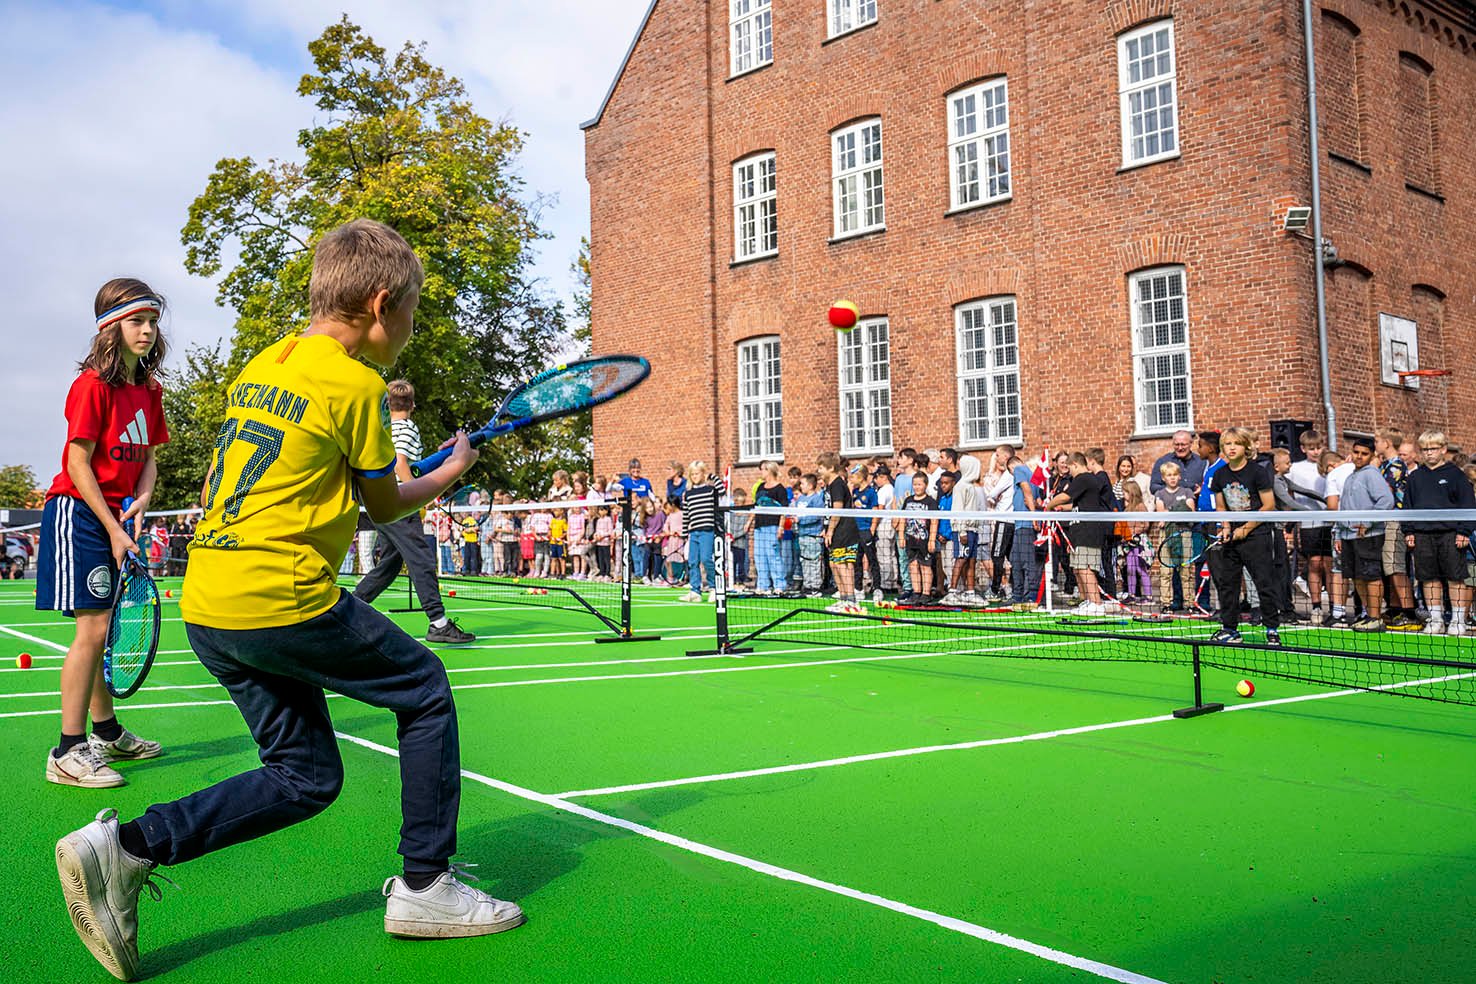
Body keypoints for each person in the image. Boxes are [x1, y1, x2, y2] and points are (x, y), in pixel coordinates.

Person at [55, 221, 524, 984]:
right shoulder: (357, 384)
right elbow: (386, 502)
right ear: (380, 304)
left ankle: (127, 846)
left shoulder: (264, 363)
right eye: (410, 312)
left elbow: (293, 475)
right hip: (283, 597)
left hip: (211, 601)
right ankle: (427, 886)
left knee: (304, 775)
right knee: (426, 692)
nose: (409, 329)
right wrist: (455, 467)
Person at [36, 278, 170, 790]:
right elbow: (77, 462)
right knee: (92, 630)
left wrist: (143, 498)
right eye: (138, 320)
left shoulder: (150, 390)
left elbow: (150, 460)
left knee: (103, 627)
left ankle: (107, 733)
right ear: (110, 328)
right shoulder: (92, 385)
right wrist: (113, 526)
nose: (148, 330)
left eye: (153, 321)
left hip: (115, 513)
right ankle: (67, 751)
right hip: (79, 512)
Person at [352, 380, 474, 645]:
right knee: (421, 559)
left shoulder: (386, 427)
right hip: (398, 501)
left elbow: (405, 462)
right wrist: (417, 494)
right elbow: (401, 462)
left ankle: (350, 609)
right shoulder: (406, 428)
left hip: (379, 501)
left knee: (390, 563)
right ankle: (438, 623)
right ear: (412, 405)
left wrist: (441, 455)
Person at [1206, 427, 1281, 645]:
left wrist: (1245, 529)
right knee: (1228, 584)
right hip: (1233, 538)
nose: (1231, 448)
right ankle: (1230, 628)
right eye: (1227, 444)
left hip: (1258, 535)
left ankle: (1271, 629)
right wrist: (1227, 528)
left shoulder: (1258, 472)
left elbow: (1268, 506)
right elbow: (1221, 507)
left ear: (1245, 447)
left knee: (1264, 583)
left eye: (1236, 443)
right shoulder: (1219, 474)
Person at [1405, 432, 1475, 636]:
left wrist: (1464, 531)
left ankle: (1458, 619)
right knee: (1428, 578)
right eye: (1425, 449)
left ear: (1443, 449)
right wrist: (1409, 530)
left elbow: (1468, 505)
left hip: (1451, 535)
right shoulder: (1415, 477)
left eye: (1433, 449)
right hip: (1422, 535)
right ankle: (1435, 619)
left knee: (1456, 578)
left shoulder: (1456, 475)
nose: (1429, 453)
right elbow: (1407, 506)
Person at [1335, 437, 1395, 632]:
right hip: (1348, 536)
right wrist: (1338, 534)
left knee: (1371, 575)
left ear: (1371, 456)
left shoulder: (1372, 474)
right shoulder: (1351, 475)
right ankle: (1369, 615)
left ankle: (1376, 617)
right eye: (1356, 452)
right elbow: (1344, 507)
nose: (1359, 456)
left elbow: (1386, 501)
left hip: (1368, 536)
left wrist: (1367, 524)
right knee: (1357, 577)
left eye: (1364, 453)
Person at [1048, 453, 1109, 615]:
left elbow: (1064, 497)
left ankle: (1096, 603)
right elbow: (1075, 506)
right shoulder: (1083, 483)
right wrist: (1060, 509)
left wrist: (1049, 505)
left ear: (1075, 464)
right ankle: (1087, 601)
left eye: (1070, 468)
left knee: (1086, 568)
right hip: (1077, 532)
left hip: (1088, 531)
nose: (1069, 472)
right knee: (1077, 568)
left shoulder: (1083, 478)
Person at [1374, 428, 1419, 629]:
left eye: (1377, 441)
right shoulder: (1382, 465)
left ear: (1387, 443)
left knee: (1395, 565)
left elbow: (1385, 492)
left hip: (1395, 520)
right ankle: (1394, 609)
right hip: (1382, 521)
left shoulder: (1396, 465)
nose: (1375, 445)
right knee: (1387, 566)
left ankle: (1409, 611)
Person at [817, 452, 862, 612]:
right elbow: (829, 511)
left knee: (843, 564)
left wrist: (830, 531)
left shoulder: (837, 484)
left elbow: (837, 510)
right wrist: (826, 528)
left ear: (830, 468)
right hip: (834, 529)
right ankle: (843, 598)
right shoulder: (829, 485)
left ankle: (851, 600)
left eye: (821, 467)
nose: (819, 470)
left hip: (844, 529)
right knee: (833, 563)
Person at [1152, 461, 1197, 613]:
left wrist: (1171, 512)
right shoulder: (1159, 494)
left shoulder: (1187, 492)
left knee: (1187, 570)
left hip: (1184, 533)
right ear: (1164, 478)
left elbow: (1190, 512)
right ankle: (1166, 603)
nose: (1172, 478)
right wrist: (1176, 510)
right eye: (1169, 475)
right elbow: (1161, 512)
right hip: (1166, 534)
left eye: (1175, 475)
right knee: (1166, 571)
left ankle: (1190, 603)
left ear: (1179, 476)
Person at [679, 461, 722, 601]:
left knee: (706, 559)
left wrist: (712, 476)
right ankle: (695, 591)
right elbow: (686, 515)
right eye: (692, 474)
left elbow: (721, 489)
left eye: (697, 473)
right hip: (694, 531)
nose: (695, 476)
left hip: (707, 530)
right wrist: (685, 533)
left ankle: (714, 588)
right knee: (692, 561)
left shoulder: (710, 490)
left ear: (703, 473)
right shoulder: (688, 494)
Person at [896, 471, 939, 605]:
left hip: (924, 540)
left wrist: (932, 539)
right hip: (910, 539)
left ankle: (926, 593)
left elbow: (934, 521)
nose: (917, 487)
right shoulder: (908, 500)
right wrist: (902, 536)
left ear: (925, 485)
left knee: (925, 566)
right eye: (914, 484)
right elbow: (903, 519)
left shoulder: (930, 502)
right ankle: (916, 592)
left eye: (919, 484)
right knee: (913, 565)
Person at [1008, 451, 1042, 608]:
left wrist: (1034, 517)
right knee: (1016, 560)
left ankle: (1030, 596)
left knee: (1027, 562)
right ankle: (1018, 595)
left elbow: (1027, 491)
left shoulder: (1020, 470)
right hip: (1020, 524)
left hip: (1025, 524)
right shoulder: (1033, 476)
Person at [752, 462, 789, 594]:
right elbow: (756, 506)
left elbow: (784, 509)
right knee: (759, 556)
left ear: (769, 471)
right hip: (759, 526)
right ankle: (763, 585)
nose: (761, 472)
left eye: (763, 470)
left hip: (772, 525)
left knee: (773, 555)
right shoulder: (760, 487)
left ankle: (779, 585)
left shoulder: (780, 489)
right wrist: (749, 522)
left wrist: (781, 527)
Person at [794, 474, 827, 596]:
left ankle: (815, 586)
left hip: (813, 535)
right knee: (804, 561)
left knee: (814, 561)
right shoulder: (800, 499)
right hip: (802, 535)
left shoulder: (817, 499)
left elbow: (817, 516)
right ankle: (807, 585)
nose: (801, 486)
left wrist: (801, 520)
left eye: (802, 484)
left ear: (810, 485)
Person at [1149, 430, 1206, 494]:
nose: (1180, 448)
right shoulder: (1163, 462)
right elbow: (1153, 487)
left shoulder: (1202, 462)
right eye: (1177, 444)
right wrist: (1173, 490)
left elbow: (1210, 484)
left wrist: (1202, 489)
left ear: (1191, 443)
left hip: (1197, 501)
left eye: (1183, 444)